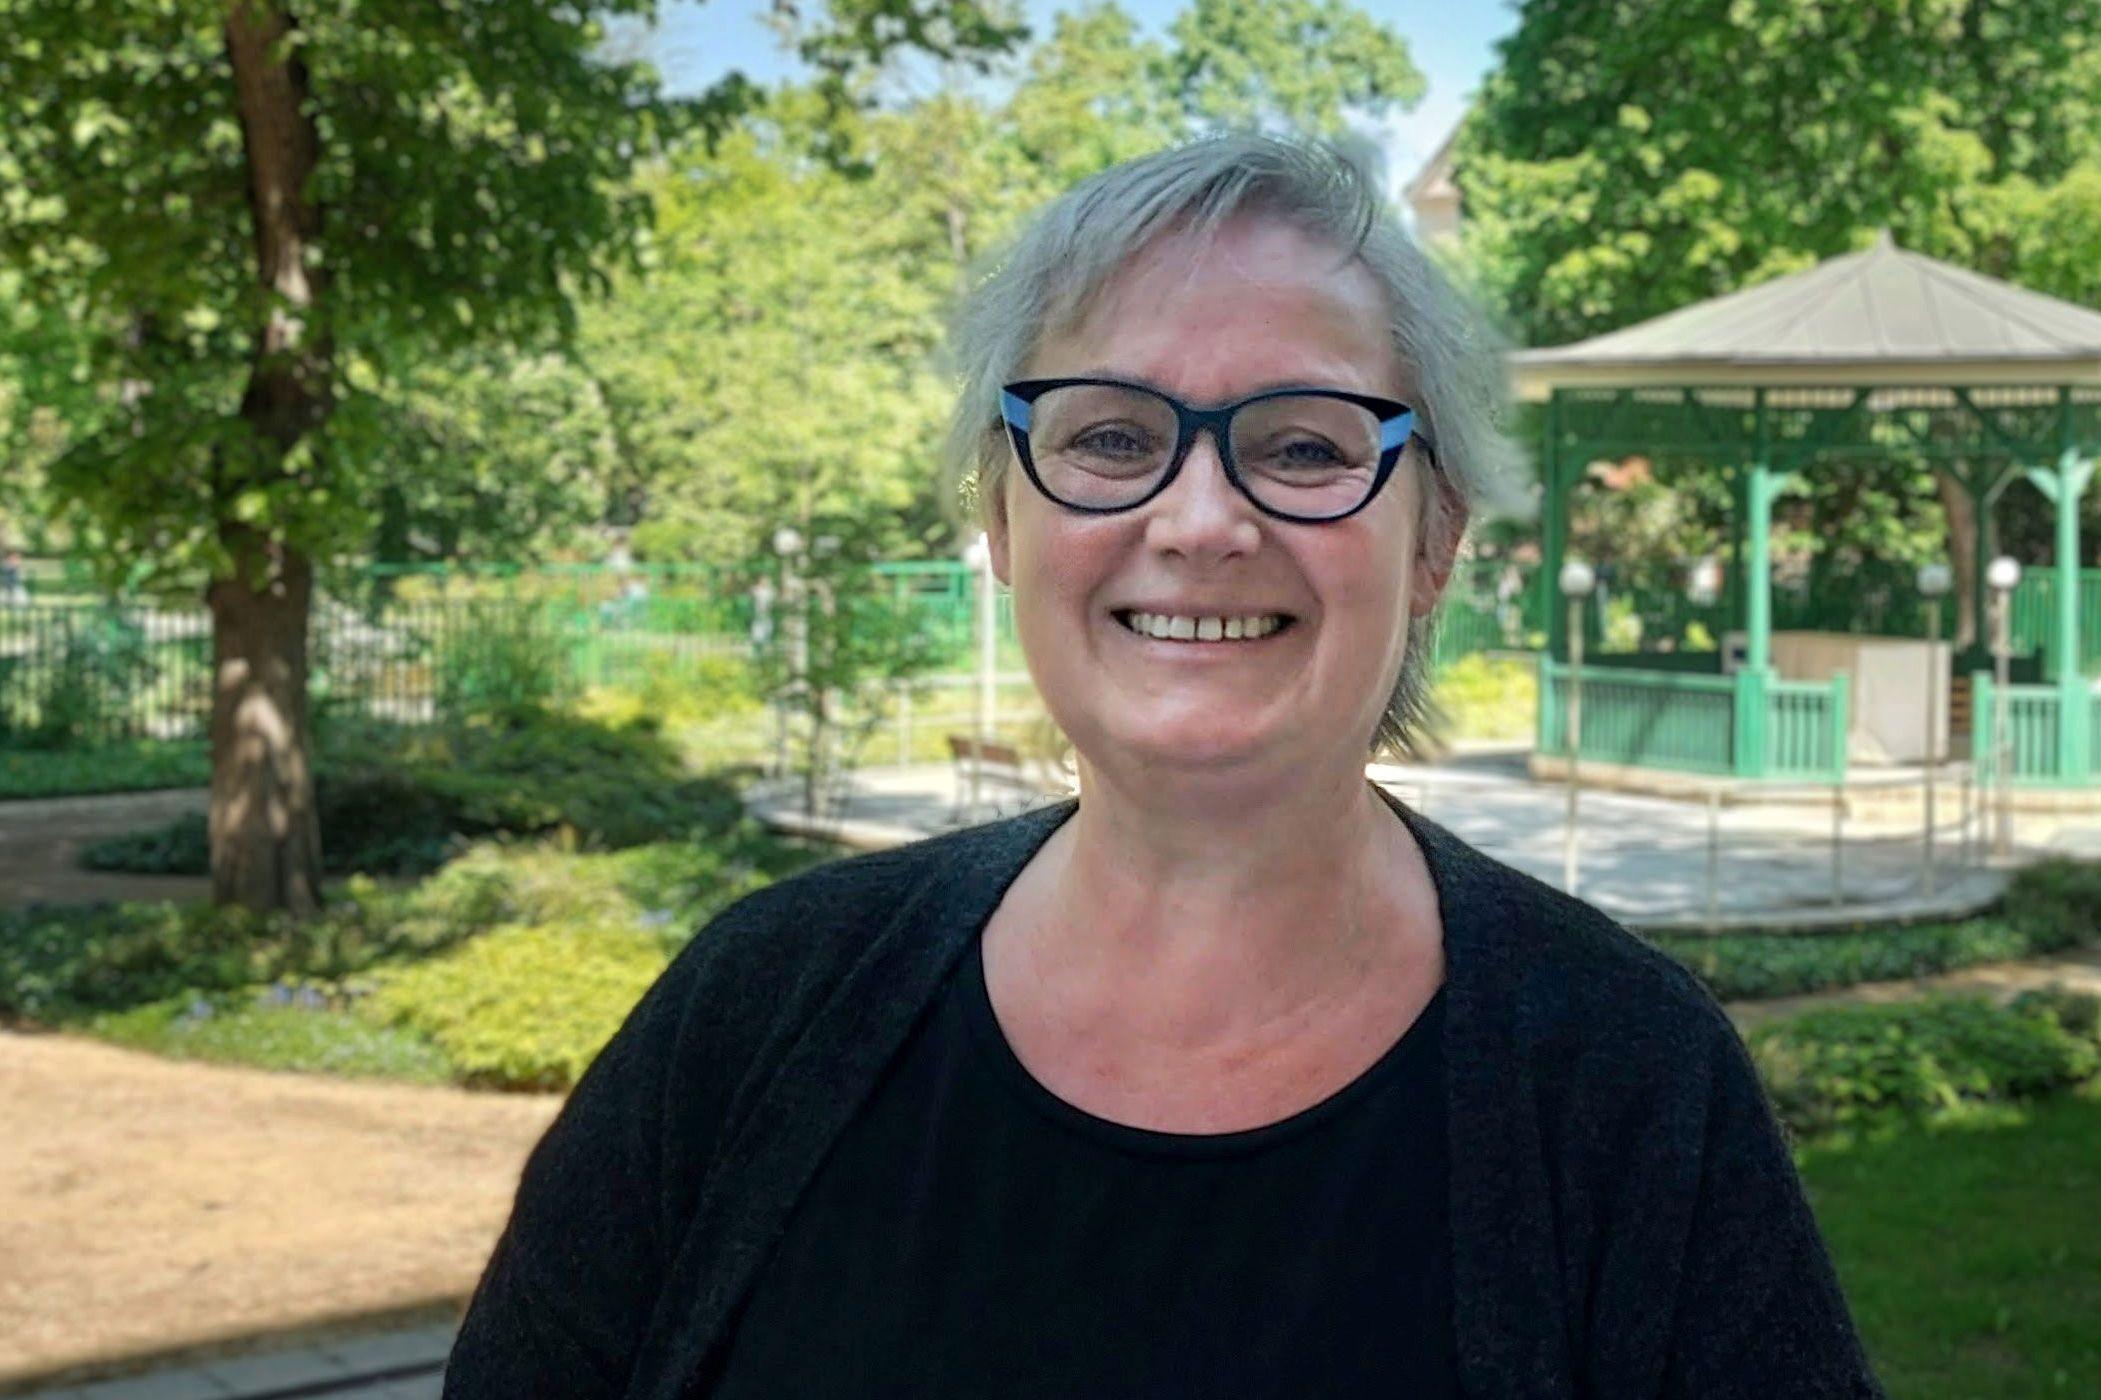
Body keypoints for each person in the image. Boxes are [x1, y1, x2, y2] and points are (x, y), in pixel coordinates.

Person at [445, 136, 1883, 1398]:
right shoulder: (755, 1011)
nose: (1199, 521)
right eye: (1114, 435)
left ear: (1434, 542)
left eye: (1303, 445)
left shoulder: (1632, 1084)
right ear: (1003, 519)